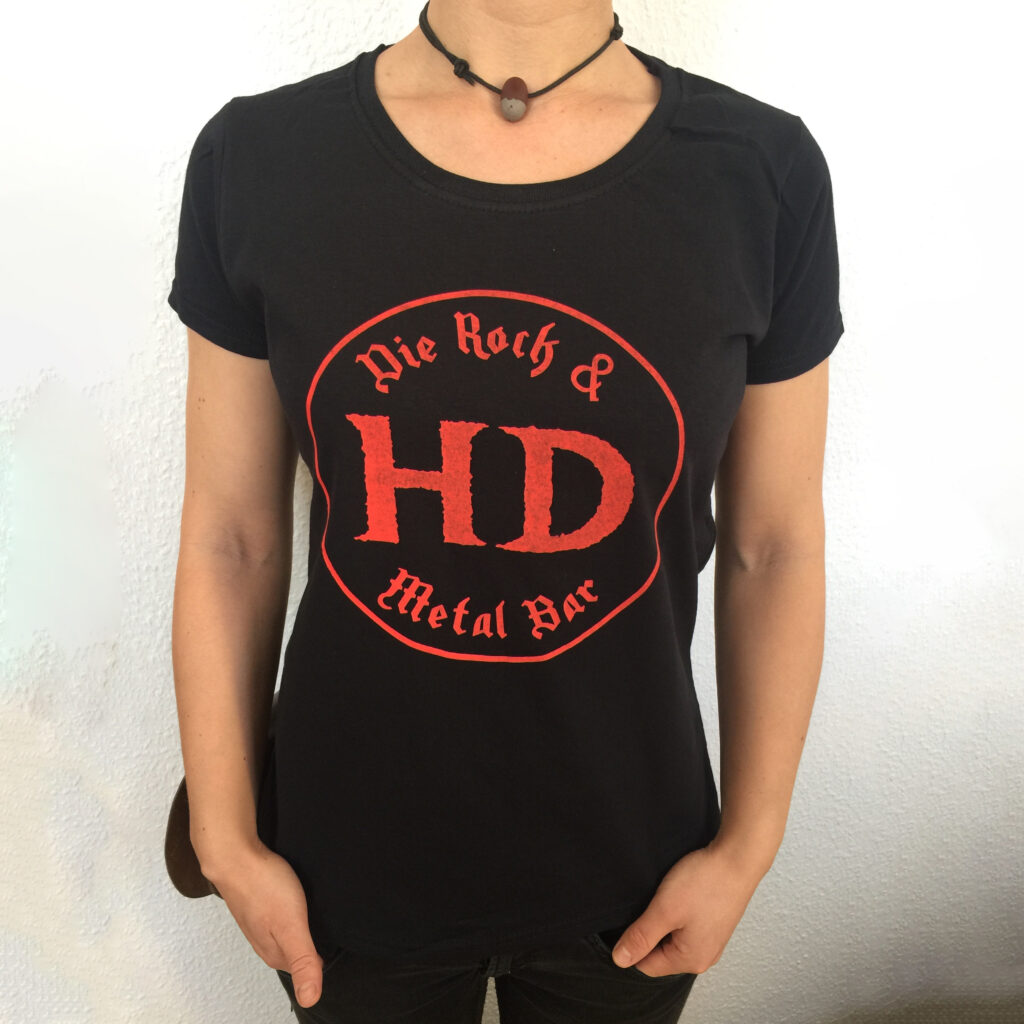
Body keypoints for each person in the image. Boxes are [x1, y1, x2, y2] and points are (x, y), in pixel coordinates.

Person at [167, 1, 844, 1021]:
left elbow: (773, 546)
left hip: (637, 871)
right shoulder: (259, 159)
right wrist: (224, 836)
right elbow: (232, 538)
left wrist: (748, 846)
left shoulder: (761, 174)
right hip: (342, 867)